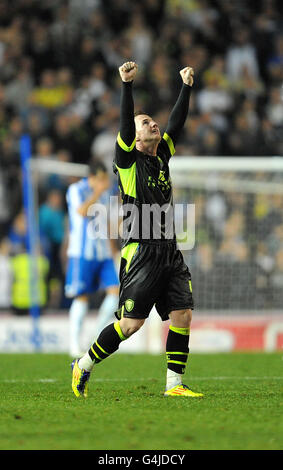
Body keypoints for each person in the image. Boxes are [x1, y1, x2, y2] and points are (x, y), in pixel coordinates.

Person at [72, 61, 203, 398]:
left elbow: (176, 122)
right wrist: (126, 86)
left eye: (152, 120)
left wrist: (186, 86)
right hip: (141, 251)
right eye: (146, 122)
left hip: (169, 249)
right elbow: (126, 128)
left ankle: (174, 384)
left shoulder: (162, 157)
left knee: (183, 313)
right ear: (134, 135)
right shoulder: (127, 161)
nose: (153, 124)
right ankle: (84, 363)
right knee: (131, 325)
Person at [65, 159, 119, 357]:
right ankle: (73, 344)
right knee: (82, 296)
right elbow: (82, 212)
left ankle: (96, 336)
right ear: (92, 178)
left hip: (103, 252)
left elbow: (105, 222)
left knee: (115, 292)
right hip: (82, 253)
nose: (104, 183)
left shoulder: (105, 194)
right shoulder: (75, 190)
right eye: (101, 179)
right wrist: (97, 192)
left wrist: (113, 250)